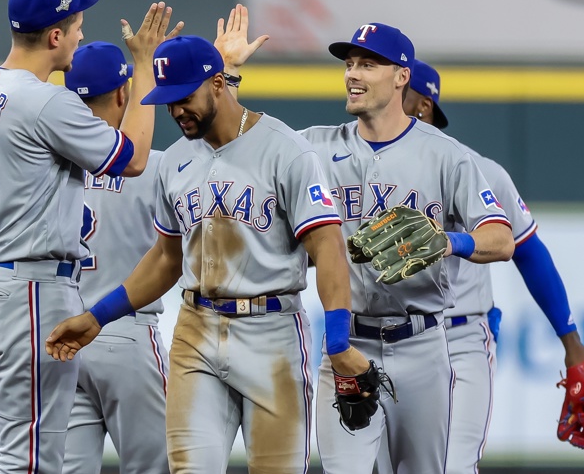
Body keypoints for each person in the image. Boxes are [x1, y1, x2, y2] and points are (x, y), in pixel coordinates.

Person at [46, 33, 371, 473]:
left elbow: (328, 248)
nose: (177, 111)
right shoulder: (175, 160)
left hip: (272, 332)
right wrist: (97, 317)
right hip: (195, 330)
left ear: (219, 83)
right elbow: (166, 259)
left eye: (185, 98)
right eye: (169, 102)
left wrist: (338, 341)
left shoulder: (287, 150)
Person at [0, 0, 181, 474]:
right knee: (31, 464)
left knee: (18, 458)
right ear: (54, 36)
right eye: (77, 23)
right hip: (33, 292)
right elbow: (133, 158)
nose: (81, 32)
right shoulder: (45, 101)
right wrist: (144, 66)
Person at [296, 23, 515, 474]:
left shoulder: (446, 154)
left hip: (423, 345)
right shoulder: (313, 146)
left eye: (367, 64)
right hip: (348, 344)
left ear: (401, 77)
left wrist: (449, 241)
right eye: (349, 64)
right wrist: (229, 74)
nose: (352, 74)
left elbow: (502, 238)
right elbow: (249, 147)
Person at [384, 59, 584, 474]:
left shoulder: (479, 170)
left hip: (459, 338)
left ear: (423, 105)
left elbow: (529, 252)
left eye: (398, 92)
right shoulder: (366, 167)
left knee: (453, 467)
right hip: (388, 337)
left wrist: (571, 342)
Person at [61, 41, 169, 474]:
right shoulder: (155, 166)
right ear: (123, 94)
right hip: (126, 332)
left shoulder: (48, 165)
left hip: (61, 337)